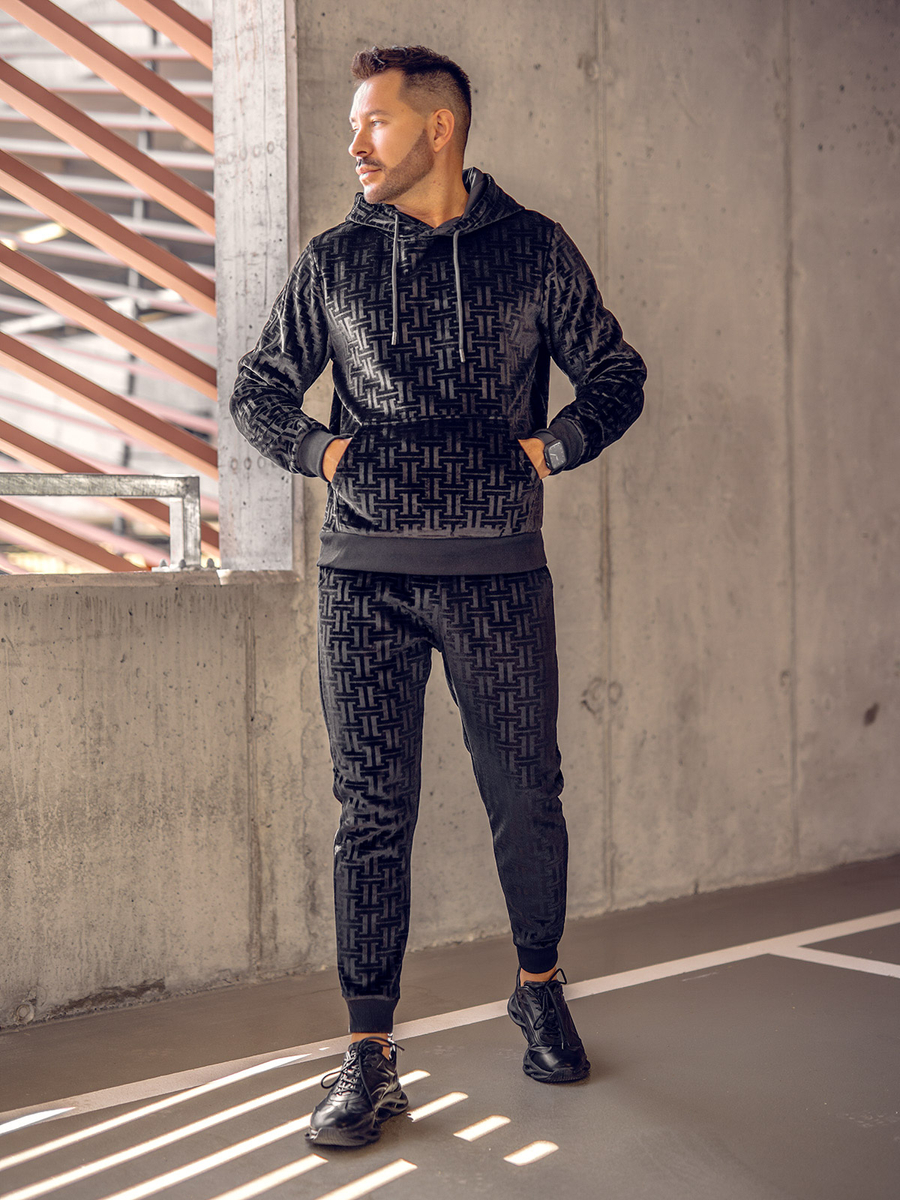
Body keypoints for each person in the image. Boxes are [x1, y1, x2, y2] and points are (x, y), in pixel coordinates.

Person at [229, 44, 646, 1148]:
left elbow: (616, 372)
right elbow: (260, 388)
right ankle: (367, 1054)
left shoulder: (533, 249)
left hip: (498, 574)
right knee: (373, 811)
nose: (355, 144)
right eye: (354, 125)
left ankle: (539, 987)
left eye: (374, 121)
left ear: (439, 127)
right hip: (364, 580)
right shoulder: (335, 260)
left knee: (527, 794)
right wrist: (328, 456)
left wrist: (550, 448)